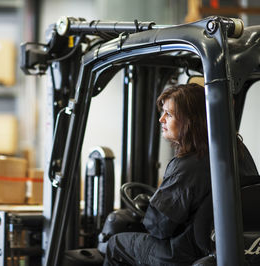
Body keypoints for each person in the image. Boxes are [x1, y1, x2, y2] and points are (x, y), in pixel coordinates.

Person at [103, 83, 259, 265]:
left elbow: (159, 227)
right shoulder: (237, 151)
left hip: (181, 254)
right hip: (229, 249)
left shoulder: (187, 164)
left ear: (190, 120)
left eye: (168, 114)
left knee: (116, 244)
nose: (161, 120)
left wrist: (150, 207)